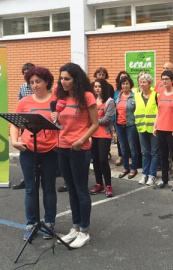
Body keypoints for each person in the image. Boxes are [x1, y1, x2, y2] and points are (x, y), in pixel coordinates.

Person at [53, 63, 99, 249]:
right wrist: (54, 118)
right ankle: (75, 226)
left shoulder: (87, 97)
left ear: (76, 79)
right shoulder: (61, 98)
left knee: (81, 190)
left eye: (67, 78)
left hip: (79, 149)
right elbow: (60, 121)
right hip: (62, 147)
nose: (63, 82)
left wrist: (82, 140)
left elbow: (95, 124)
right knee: (71, 189)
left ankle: (84, 231)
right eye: (61, 78)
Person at [10, 66, 58, 240]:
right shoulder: (24, 102)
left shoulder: (57, 101)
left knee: (49, 188)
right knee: (31, 188)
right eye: (31, 82)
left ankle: (49, 223)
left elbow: (64, 123)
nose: (35, 85)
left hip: (51, 150)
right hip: (29, 150)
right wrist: (14, 141)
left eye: (38, 81)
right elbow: (15, 123)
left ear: (46, 81)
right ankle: (31, 224)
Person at [153, 70, 173, 191]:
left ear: (172, 81)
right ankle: (164, 180)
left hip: (172, 130)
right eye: (163, 79)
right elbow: (159, 112)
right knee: (163, 156)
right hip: (161, 128)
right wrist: (155, 126)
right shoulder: (160, 94)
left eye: (167, 79)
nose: (164, 81)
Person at [90, 78, 115, 197]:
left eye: (99, 86)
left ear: (104, 87)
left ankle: (108, 185)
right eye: (95, 86)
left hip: (104, 134)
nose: (97, 88)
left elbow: (106, 120)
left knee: (103, 159)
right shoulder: (92, 101)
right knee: (95, 160)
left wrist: (93, 121)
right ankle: (98, 183)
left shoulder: (110, 101)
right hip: (92, 134)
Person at [13, 62, 36, 190]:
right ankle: (26, 179)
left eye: (29, 73)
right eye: (25, 74)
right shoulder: (22, 87)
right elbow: (19, 106)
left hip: (39, 125)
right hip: (26, 125)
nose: (27, 76)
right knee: (27, 153)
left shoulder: (43, 87)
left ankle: (39, 177)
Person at [134, 73, 159, 186]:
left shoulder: (156, 95)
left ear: (150, 84)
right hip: (141, 127)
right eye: (140, 82)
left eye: (144, 82)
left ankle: (152, 175)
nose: (142, 84)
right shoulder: (137, 96)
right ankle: (145, 173)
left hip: (153, 128)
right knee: (145, 152)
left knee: (154, 152)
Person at [115, 76, 138, 179]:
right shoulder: (118, 96)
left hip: (131, 125)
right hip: (119, 125)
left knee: (132, 147)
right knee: (123, 148)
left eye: (127, 83)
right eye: (123, 84)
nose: (125, 85)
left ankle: (133, 168)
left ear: (130, 85)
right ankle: (125, 168)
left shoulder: (135, 96)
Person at [113, 71, 130, 166]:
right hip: (118, 120)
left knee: (130, 142)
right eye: (121, 77)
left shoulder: (132, 93)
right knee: (120, 141)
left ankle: (129, 158)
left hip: (128, 121)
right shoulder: (116, 92)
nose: (123, 79)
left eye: (125, 77)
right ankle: (121, 156)